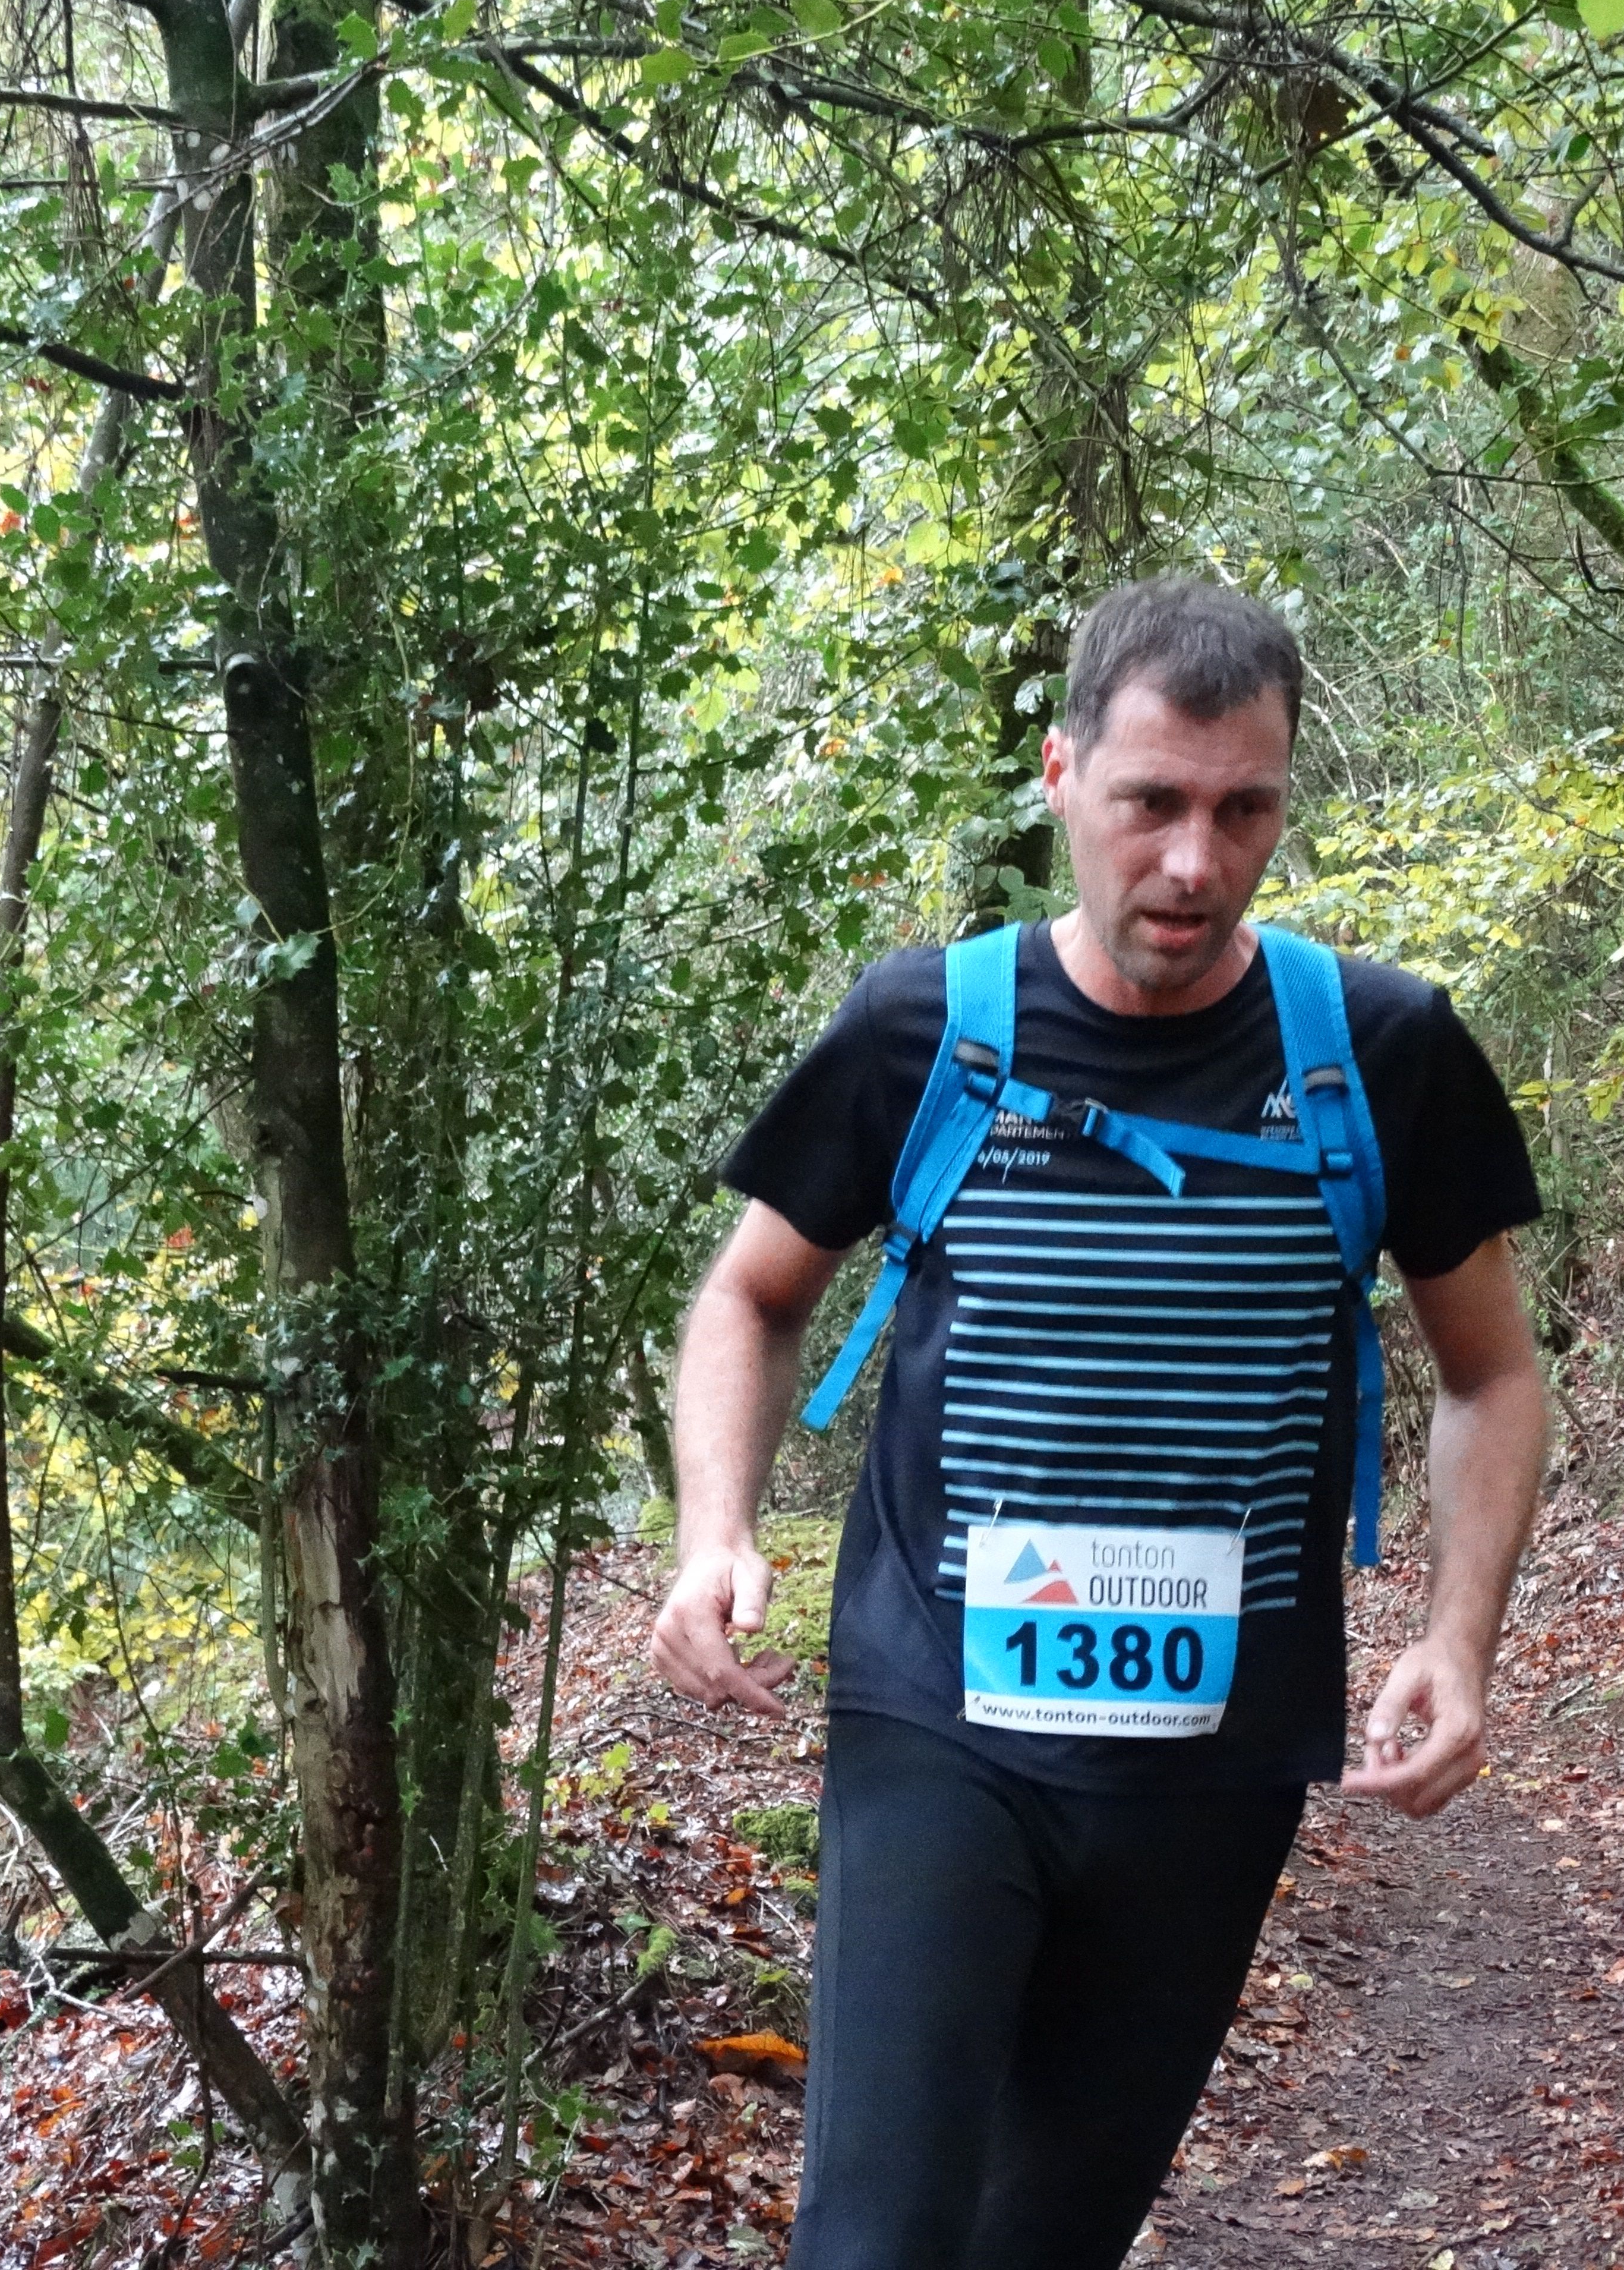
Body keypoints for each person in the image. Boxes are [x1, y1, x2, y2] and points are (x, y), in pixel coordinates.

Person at [649, 575, 1551, 2270]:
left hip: (1216, 1765)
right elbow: (751, 1298)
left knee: (1044, 2240)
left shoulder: (1381, 1052)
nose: (1195, 862)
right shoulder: (928, 1031)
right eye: (1151, 803)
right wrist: (717, 1533)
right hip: (938, 1721)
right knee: (877, 2239)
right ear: (1062, 778)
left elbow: (1492, 1372)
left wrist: (1458, 1636)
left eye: (1243, 810)